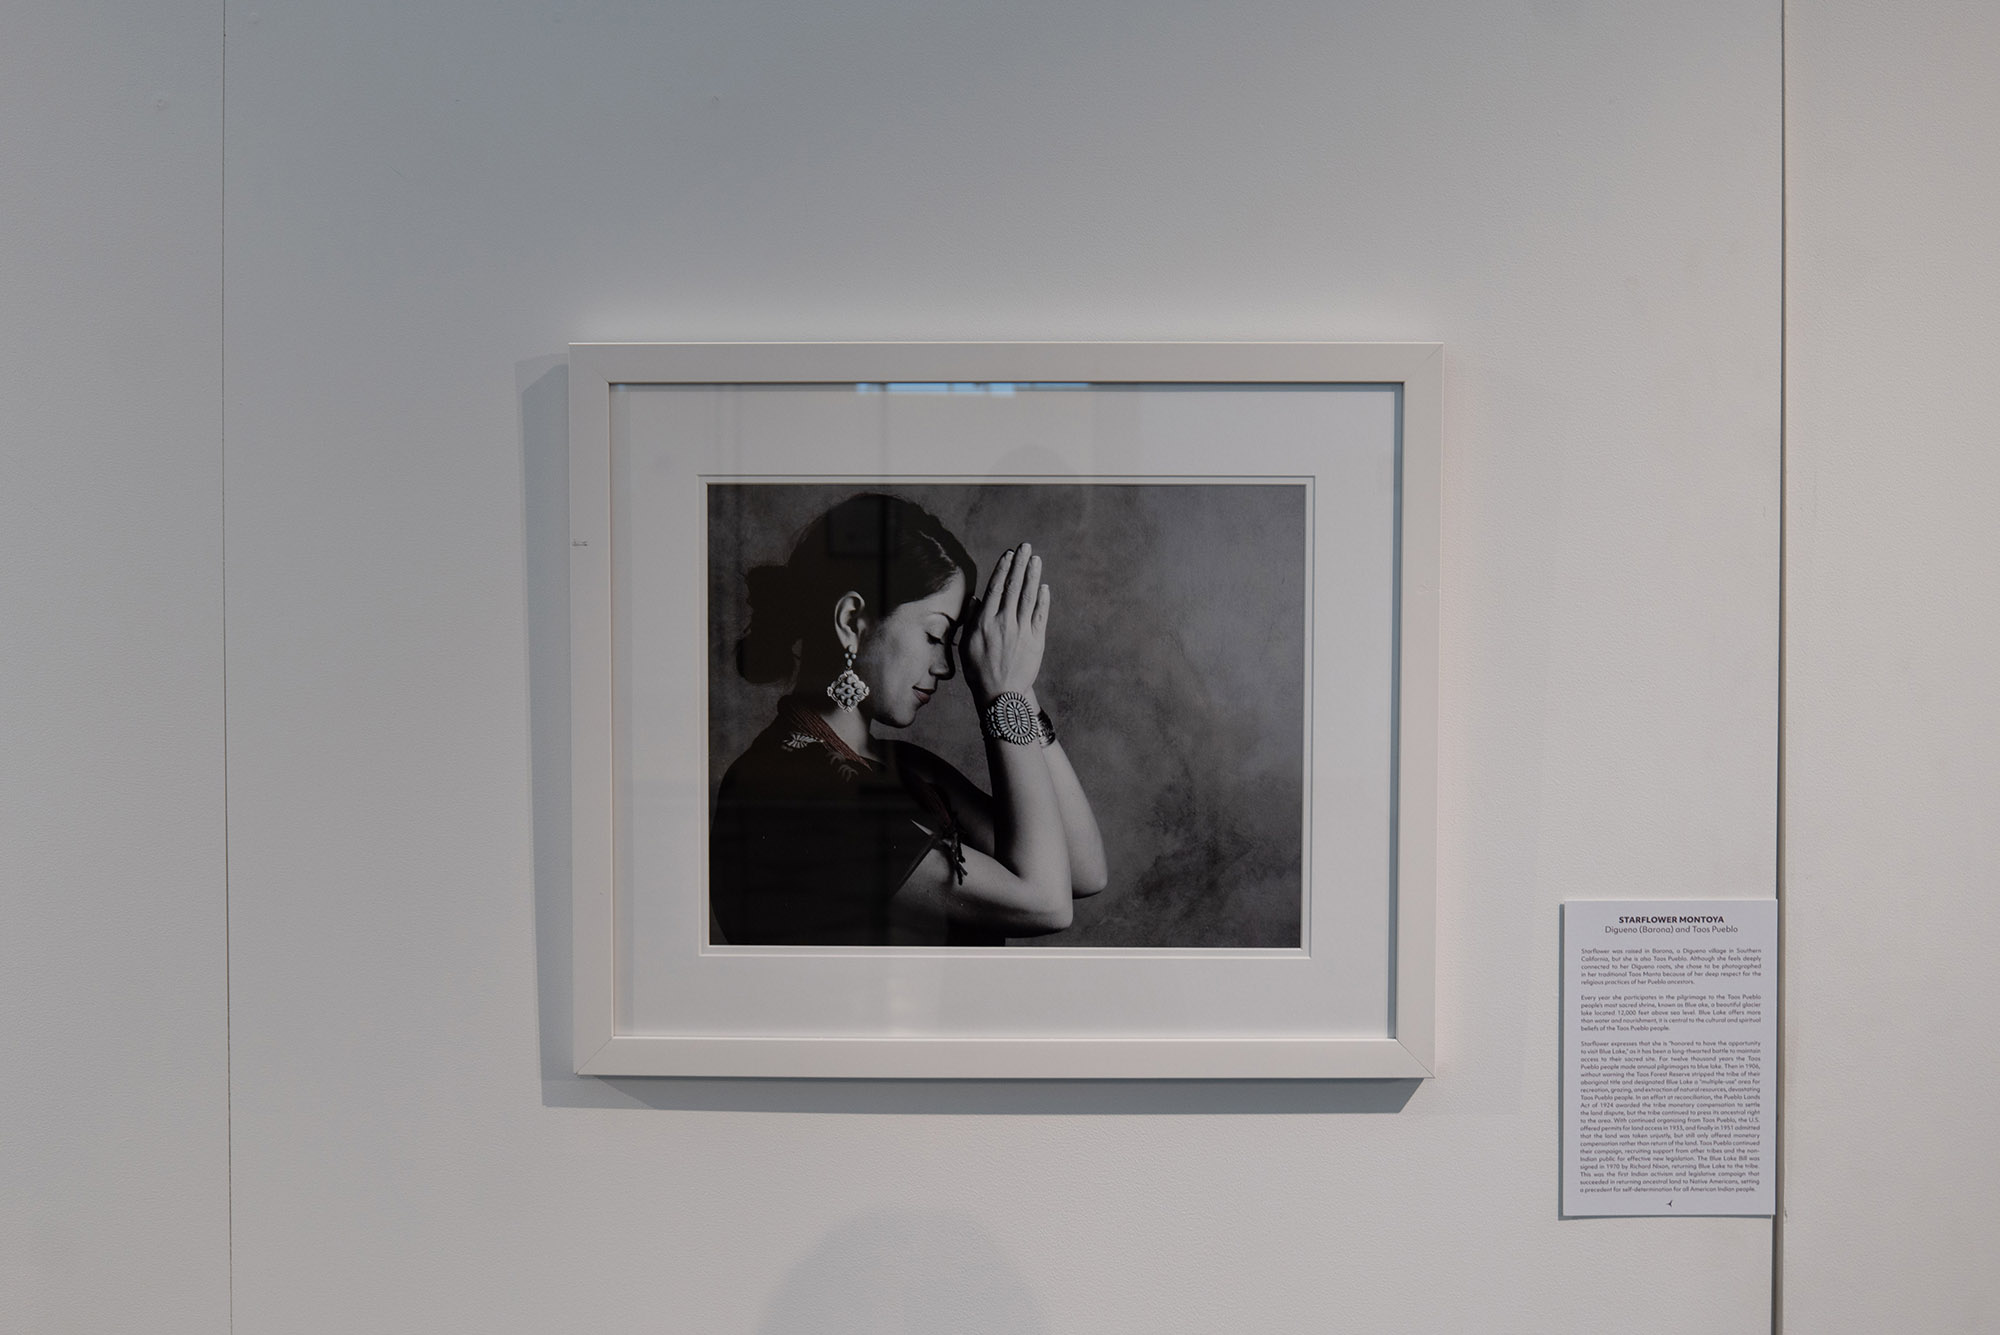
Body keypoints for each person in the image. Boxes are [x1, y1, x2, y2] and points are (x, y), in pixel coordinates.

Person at [711, 492, 1108, 946]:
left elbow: (1083, 871)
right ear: (852, 620)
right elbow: (1044, 902)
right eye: (936, 635)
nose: (948, 667)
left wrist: (1017, 684)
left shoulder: (907, 768)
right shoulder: (789, 788)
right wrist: (1003, 694)